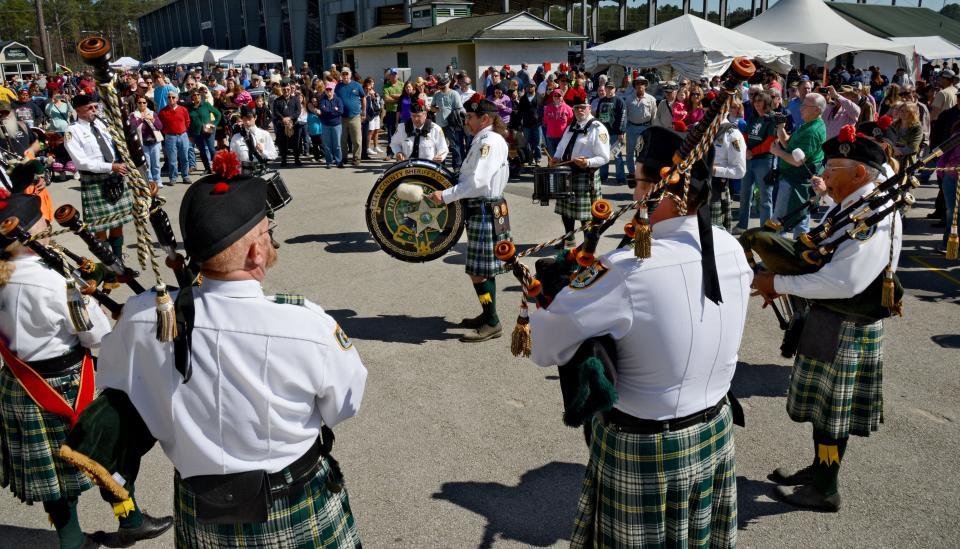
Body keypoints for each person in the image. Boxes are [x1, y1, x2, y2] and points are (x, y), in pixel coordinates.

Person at [95, 170, 367, 547]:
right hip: (292, 500)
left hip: (198, 504)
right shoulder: (306, 324)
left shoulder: (144, 316)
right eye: (267, 231)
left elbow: (111, 382)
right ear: (256, 250)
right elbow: (344, 406)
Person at [530, 125, 752, 548]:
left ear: (662, 190)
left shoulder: (625, 271)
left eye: (637, 182)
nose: (633, 192)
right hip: (716, 431)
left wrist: (555, 295)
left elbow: (544, 346)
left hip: (644, 449)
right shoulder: (730, 245)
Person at [0, 193, 173, 549]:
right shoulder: (53, 283)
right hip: (67, 381)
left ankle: (74, 539)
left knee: (53, 474)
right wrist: (100, 303)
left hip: (19, 382)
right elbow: (97, 335)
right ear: (36, 235)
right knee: (102, 446)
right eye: (46, 229)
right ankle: (131, 519)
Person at [754, 127, 902, 512]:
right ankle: (822, 471)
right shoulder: (852, 204)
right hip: (832, 321)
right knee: (825, 409)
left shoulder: (871, 214)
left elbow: (845, 281)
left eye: (833, 168)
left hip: (846, 326)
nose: (826, 175)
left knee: (832, 413)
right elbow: (821, 253)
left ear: (859, 173)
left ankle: (825, 489)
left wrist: (778, 281)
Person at [426, 95, 511, 343]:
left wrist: (447, 195)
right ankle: (488, 314)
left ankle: (492, 321)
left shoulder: (489, 142)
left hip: (484, 207)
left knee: (478, 271)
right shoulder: (485, 139)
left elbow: (477, 181)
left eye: (470, 117)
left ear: (485, 118)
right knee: (484, 270)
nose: (466, 121)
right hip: (484, 208)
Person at [63, 95, 134, 259]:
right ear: (78, 109)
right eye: (90, 108)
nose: (94, 111)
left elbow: (116, 146)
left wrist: (123, 161)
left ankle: (118, 257)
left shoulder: (102, 124)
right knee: (100, 227)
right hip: (95, 181)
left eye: (95, 107)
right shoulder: (72, 131)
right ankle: (111, 264)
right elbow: (81, 163)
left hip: (115, 177)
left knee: (118, 224)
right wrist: (111, 166)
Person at [550, 96, 611, 248]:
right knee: (566, 211)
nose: (580, 110)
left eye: (583, 107)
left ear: (590, 108)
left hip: (586, 176)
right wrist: (556, 158)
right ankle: (569, 239)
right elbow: (562, 145)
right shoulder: (572, 126)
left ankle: (587, 245)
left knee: (586, 216)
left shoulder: (598, 128)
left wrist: (588, 162)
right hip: (566, 173)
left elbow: (605, 157)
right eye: (577, 107)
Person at [770, 92, 827, 236]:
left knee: (789, 220)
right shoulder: (808, 124)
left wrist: (777, 152)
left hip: (796, 182)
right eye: (802, 105)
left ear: (817, 110)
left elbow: (797, 161)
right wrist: (781, 128)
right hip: (792, 180)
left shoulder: (813, 131)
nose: (801, 108)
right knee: (796, 218)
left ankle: (781, 252)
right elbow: (788, 144)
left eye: (805, 106)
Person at [735, 90, 778, 233]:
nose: (756, 103)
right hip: (749, 159)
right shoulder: (753, 117)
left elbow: (770, 142)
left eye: (760, 100)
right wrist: (746, 150)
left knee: (766, 198)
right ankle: (742, 225)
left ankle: (765, 231)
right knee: (745, 194)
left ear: (766, 102)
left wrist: (752, 152)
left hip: (764, 161)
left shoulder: (772, 118)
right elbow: (745, 135)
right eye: (755, 100)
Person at [712, 109, 748, 232]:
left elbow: (740, 171)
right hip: (698, 190)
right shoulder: (702, 129)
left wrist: (714, 170)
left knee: (717, 238)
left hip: (717, 188)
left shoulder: (733, 135)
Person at [390, 99, 448, 163]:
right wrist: (398, 152)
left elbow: (443, 148)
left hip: (428, 168)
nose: (416, 119)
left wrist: (440, 156)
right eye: (413, 116)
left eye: (418, 116)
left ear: (425, 115)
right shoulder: (402, 128)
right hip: (407, 168)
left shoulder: (435, 129)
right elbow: (394, 143)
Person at [592, 81, 626, 185]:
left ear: (615, 89)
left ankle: (620, 178)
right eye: (608, 88)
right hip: (603, 133)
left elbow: (623, 117)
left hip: (615, 133)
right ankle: (603, 176)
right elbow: (597, 117)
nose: (610, 90)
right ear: (605, 89)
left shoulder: (619, 101)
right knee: (603, 155)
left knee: (617, 156)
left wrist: (621, 132)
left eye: (612, 88)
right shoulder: (601, 101)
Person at [156, 89, 192, 185]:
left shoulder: (183, 109)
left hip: (183, 135)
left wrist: (182, 130)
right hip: (170, 137)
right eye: (169, 97)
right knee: (172, 160)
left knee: (184, 158)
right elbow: (160, 125)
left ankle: (185, 176)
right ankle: (173, 178)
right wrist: (167, 132)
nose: (171, 99)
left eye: (173, 97)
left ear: (177, 99)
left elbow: (187, 122)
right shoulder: (163, 111)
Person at [624, 76, 657, 181]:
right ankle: (632, 173)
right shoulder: (629, 99)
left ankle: (642, 173)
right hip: (631, 128)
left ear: (645, 86)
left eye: (642, 83)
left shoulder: (651, 99)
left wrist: (653, 130)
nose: (640, 86)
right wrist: (623, 130)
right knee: (630, 152)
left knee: (644, 153)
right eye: (637, 83)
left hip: (645, 128)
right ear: (635, 86)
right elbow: (625, 115)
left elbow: (654, 116)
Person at [128, 95, 163, 188]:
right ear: (136, 104)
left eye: (144, 102)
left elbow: (160, 126)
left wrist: (153, 120)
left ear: (147, 104)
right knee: (147, 164)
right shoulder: (133, 115)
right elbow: (132, 127)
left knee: (156, 163)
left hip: (154, 142)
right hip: (142, 143)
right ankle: (150, 181)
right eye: (140, 102)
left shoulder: (152, 113)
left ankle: (158, 180)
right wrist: (140, 119)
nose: (142, 104)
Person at [431, 74, 465, 169]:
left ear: (449, 84)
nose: (442, 89)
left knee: (455, 146)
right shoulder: (437, 94)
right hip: (439, 124)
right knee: (440, 146)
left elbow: (459, 109)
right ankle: (441, 167)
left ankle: (457, 167)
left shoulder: (454, 94)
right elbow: (432, 107)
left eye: (443, 87)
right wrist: (437, 110)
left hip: (451, 124)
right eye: (440, 88)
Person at [230, 105, 278, 170]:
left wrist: (262, 151)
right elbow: (233, 158)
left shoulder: (265, 134)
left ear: (255, 117)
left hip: (260, 170)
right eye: (244, 119)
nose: (247, 122)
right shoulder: (236, 137)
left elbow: (274, 155)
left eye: (249, 119)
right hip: (244, 172)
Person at [335, 68, 366, 167]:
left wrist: (364, 111)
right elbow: (335, 98)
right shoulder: (338, 86)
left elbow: (363, 97)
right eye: (343, 74)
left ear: (350, 74)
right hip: (341, 117)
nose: (345, 76)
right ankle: (344, 158)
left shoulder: (357, 85)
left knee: (357, 140)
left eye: (346, 74)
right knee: (342, 139)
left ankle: (356, 158)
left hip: (355, 116)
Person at [187, 89, 221, 175]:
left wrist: (214, 124)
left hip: (209, 131)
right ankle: (207, 168)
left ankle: (218, 167)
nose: (197, 96)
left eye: (198, 94)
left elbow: (218, 114)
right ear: (192, 97)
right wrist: (190, 134)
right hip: (196, 132)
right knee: (202, 151)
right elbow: (189, 122)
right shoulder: (190, 108)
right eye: (194, 95)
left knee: (211, 149)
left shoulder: (206, 104)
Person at [272, 83, 303, 166]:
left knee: (296, 143)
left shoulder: (296, 99)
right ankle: (284, 160)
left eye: (288, 89)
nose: (286, 91)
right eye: (284, 89)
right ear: (282, 90)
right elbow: (275, 112)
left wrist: (290, 118)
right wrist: (283, 118)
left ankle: (297, 159)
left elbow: (298, 111)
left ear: (290, 89)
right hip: (282, 125)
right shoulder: (277, 100)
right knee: (283, 143)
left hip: (294, 124)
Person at [318, 82, 345, 169]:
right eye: (327, 90)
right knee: (327, 145)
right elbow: (323, 110)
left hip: (336, 125)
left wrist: (329, 110)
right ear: (325, 91)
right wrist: (334, 110)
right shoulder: (323, 100)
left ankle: (338, 161)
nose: (329, 91)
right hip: (325, 125)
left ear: (333, 90)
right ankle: (329, 162)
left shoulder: (338, 99)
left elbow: (340, 111)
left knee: (337, 145)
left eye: (330, 90)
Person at [543, 89, 573, 158]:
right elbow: (545, 121)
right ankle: (553, 168)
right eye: (555, 95)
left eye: (559, 95)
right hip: (550, 136)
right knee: (552, 156)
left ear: (562, 96)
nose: (557, 97)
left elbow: (570, 122)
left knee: (561, 156)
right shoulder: (548, 108)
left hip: (562, 137)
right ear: (553, 97)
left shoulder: (568, 108)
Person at [382, 69, 404, 155]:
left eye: (395, 74)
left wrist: (393, 96)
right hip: (390, 112)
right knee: (390, 133)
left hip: (401, 112)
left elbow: (404, 96)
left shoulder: (402, 85)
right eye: (392, 74)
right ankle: (390, 153)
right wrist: (399, 99)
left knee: (401, 132)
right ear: (389, 76)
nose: (394, 76)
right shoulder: (386, 86)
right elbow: (386, 99)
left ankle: (401, 153)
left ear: (398, 76)